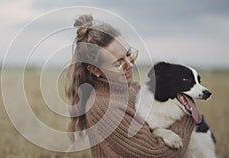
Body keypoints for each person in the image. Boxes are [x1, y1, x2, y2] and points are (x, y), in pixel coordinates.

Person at [65, 14, 195, 158]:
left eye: (129, 54)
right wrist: (188, 116)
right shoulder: (103, 108)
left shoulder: (133, 88)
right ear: (95, 70)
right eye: (118, 63)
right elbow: (158, 153)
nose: (130, 64)